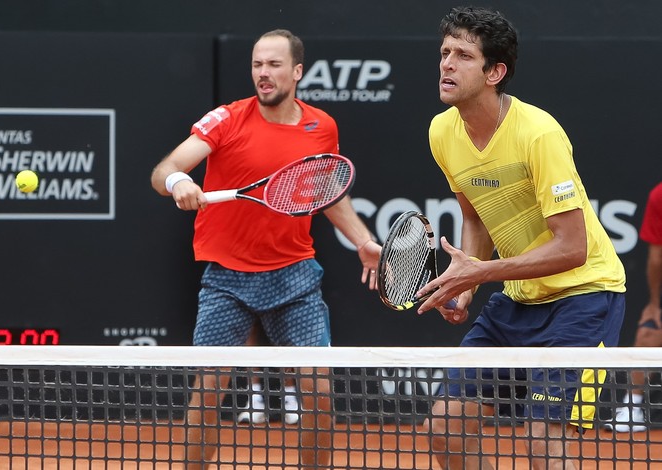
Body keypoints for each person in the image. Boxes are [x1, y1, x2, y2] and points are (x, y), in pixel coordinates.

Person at [150, 29, 380, 469]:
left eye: (274, 65)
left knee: (317, 388)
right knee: (209, 387)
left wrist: (363, 241)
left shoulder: (321, 127)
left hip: (294, 274)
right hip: (227, 277)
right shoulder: (226, 119)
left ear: (296, 71)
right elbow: (167, 169)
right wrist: (179, 182)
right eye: (257, 64)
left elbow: (325, 191)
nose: (263, 73)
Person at [418, 6, 626, 469]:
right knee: (446, 425)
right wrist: (466, 284)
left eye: (463, 56)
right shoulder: (442, 132)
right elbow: (475, 218)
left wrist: (482, 273)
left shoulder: (539, 134)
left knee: (541, 443)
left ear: (495, 72)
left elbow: (573, 247)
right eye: (445, 52)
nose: (447, 64)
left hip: (585, 299)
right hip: (519, 302)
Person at [605, 182, 662, 433]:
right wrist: (655, 304)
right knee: (649, 332)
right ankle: (632, 408)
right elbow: (656, 257)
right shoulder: (659, 196)